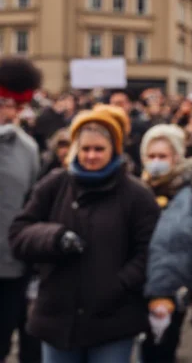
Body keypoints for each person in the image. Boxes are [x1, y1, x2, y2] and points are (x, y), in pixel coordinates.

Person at [9, 105, 160, 363]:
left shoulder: (137, 195)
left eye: (99, 149)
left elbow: (150, 251)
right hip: (57, 317)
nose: (91, 156)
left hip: (113, 319)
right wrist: (54, 237)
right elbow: (19, 234)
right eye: (85, 148)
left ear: (114, 149)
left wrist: (117, 284)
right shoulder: (54, 185)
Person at [140, 124, 192, 363]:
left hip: (173, 285)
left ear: (176, 157)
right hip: (136, 282)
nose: (156, 162)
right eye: (151, 156)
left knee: (162, 349)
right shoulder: (139, 189)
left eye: (162, 156)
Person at [0, 58, 42, 363]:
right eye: (2, 102)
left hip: (10, 265)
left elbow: (32, 205)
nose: (6, 111)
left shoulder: (28, 149)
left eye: (13, 105)